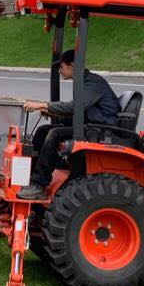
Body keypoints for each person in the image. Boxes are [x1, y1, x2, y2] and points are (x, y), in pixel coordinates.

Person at [16, 49, 121, 200]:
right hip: (89, 124)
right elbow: (80, 114)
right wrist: (53, 114)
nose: (59, 71)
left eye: (61, 67)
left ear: (72, 66)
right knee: (43, 130)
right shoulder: (82, 82)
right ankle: (32, 179)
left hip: (100, 129)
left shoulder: (93, 83)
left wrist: (43, 105)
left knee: (55, 134)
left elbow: (75, 107)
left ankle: (39, 185)